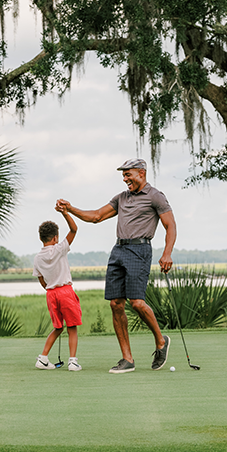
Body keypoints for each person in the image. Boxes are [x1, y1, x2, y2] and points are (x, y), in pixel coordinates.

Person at [56, 158, 175, 374]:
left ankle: (161, 341)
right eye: (123, 174)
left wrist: (167, 253)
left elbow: (170, 225)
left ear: (141, 172)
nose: (124, 178)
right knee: (115, 304)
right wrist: (70, 209)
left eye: (128, 174)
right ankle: (127, 359)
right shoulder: (121, 198)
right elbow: (96, 217)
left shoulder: (155, 196)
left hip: (140, 250)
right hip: (118, 251)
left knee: (137, 303)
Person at [32, 209, 82, 371]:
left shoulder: (37, 258)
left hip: (51, 293)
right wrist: (65, 213)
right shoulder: (59, 249)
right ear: (55, 238)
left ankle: (43, 357)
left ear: (40, 238)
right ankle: (73, 361)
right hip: (65, 291)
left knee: (58, 327)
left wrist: (50, 288)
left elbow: (41, 279)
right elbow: (74, 229)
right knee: (72, 326)